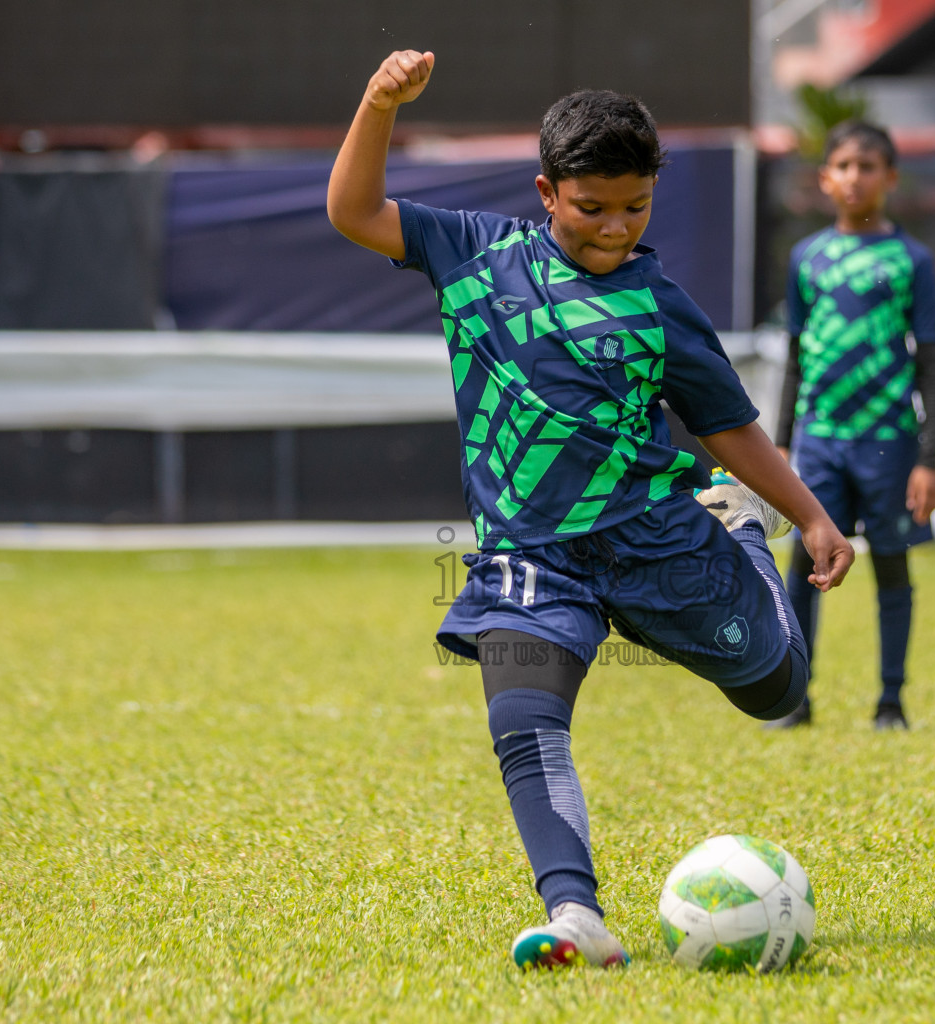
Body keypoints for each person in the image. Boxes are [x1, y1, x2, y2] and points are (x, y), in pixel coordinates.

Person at [327, 50, 854, 970]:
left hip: (659, 538)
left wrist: (805, 517)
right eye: (593, 206)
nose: (616, 227)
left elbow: (727, 427)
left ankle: (742, 541)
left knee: (776, 690)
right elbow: (354, 212)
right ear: (546, 190)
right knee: (525, 728)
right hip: (530, 559)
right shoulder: (473, 253)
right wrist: (379, 103)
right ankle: (576, 916)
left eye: (636, 207)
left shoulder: (659, 307)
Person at [770, 121, 935, 732]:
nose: (855, 177)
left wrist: (930, 456)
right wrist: (783, 443)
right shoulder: (807, 258)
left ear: (889, 179)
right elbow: (795, 356)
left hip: (889, 441)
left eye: (867, 167)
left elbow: (928, 362)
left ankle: (890, 701)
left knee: (892, 564)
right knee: (803, 565)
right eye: (843, 166)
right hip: (819, 440)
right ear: (825, 178)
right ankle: (797, 696)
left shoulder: (911, 260)